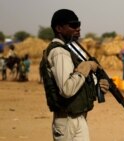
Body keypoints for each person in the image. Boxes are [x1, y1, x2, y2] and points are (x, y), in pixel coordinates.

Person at [40, 9, 109, 141]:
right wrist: (86, 67)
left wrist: (97, 88)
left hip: (77, 117)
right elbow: (67, 89)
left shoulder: (68, 50)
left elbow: (78, 85)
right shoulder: (59, 53)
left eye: (79, 25)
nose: (78, 29)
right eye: (73, 25)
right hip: (66, 121)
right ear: (59, 28)